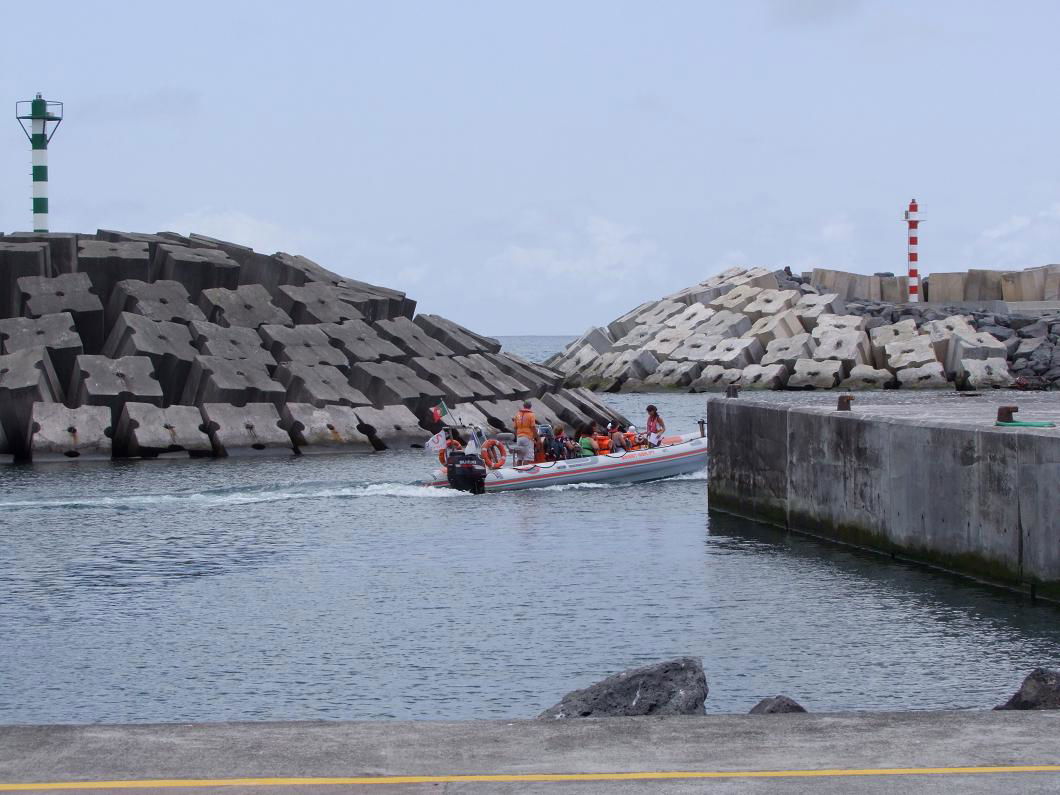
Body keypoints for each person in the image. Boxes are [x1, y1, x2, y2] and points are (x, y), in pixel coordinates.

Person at [511, 400, 539, 465]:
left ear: (523, 406)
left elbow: (515, 428)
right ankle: (525, 472)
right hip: (527, 438)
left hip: (519, 438)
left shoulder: (517, 414)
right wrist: (537, 438)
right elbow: (533, 427)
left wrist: (517, 437)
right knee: (527, 457)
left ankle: (518, 472)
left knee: (520, 458)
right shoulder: (531, 415)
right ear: (530, 406)